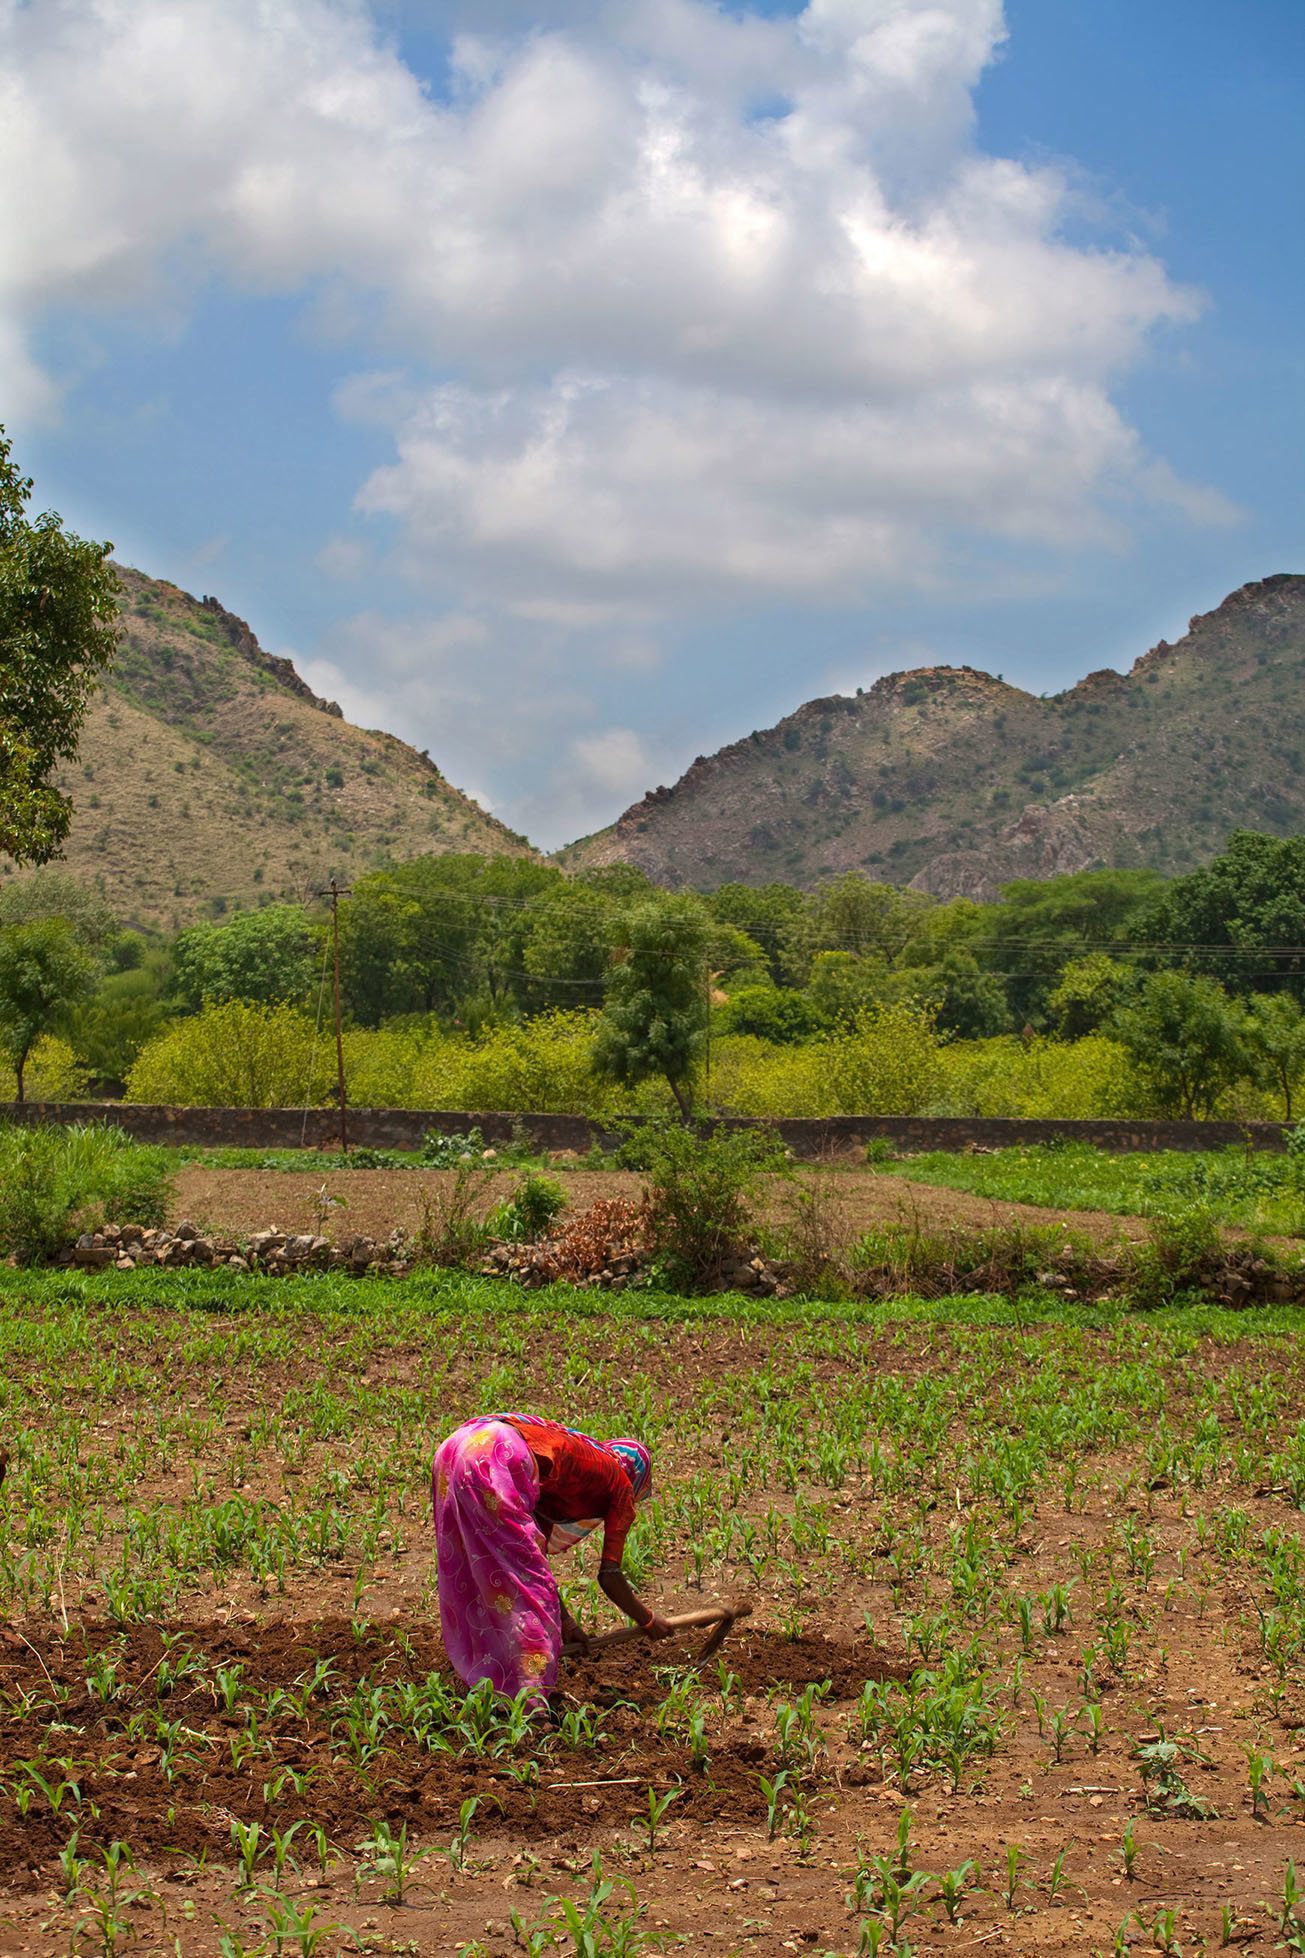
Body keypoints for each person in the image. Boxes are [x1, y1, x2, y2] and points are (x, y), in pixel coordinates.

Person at [432, 1410, 670, 1706]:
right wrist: (647, 1620)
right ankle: (532, 1708)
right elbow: (609, 1576)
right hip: (498, 1455)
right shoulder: (619, 1482)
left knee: (482, 1571)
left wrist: (567, 1624)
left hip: (457, 1448)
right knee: (531, 1595)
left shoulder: (575, 1470)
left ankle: (487, 1679)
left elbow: (534, 1560)